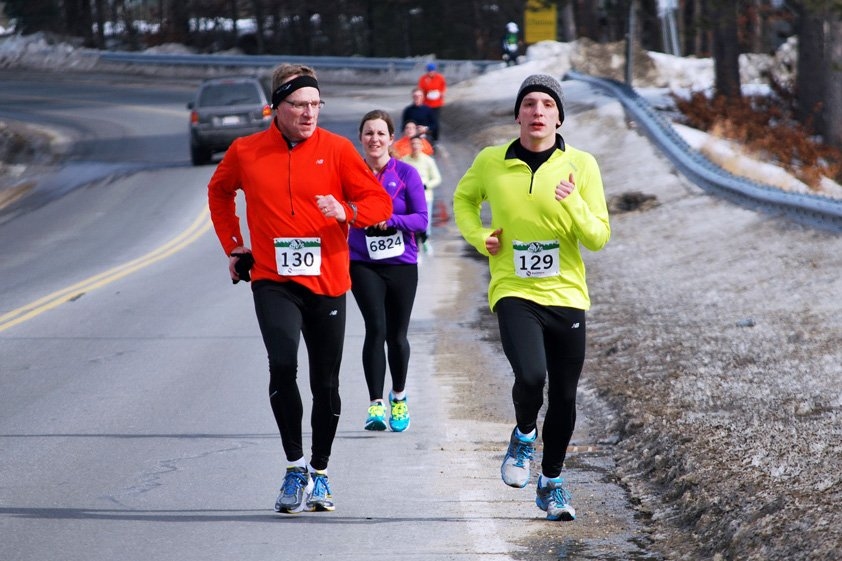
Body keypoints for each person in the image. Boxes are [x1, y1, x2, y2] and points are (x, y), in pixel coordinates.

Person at [207, 64, 393, 515]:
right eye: (299, 105)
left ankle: (321, 474)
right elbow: (219, 191)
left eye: (315, 104)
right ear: (277, 107)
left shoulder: (338, 150)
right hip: (273, 281)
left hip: (327, 281)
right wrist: (235, 247)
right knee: (283, 365)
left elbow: (379, 203)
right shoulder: (246, 150)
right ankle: (294, 469)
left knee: (325, 381)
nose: (310, 113)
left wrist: (345, 210)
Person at [452, 74, 610, 521]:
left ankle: (552, 482)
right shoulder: (491, 160)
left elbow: (598, 237)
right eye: (529, 104)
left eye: (547, 104)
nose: (538, 111)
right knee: (531, 375)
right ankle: (523, 435)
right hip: (514, 289)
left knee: (564, 395)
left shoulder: (582, 165)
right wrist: (479, 235)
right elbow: (464, 201)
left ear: (559, 117)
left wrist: (574, 202)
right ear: (517, 113)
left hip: (566, 294)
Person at [349, 109, 428, 433]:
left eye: (381, 133)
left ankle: (398, 396)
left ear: (391, 139)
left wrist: (390, 220)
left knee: (397, 335)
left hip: (401, 264)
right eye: (369, 133)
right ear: (361, 138)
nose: (375, 139)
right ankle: (375, 405)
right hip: (363, 262)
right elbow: (339, 212)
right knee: (375, 328)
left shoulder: (406, 174)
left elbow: (421, 219)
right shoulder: (350, 175)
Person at [401, 135, 442, 253]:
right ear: (410, 145)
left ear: (422, 145)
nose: (415, 146)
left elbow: (437, 178)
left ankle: (425, 240)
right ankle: (414, 247)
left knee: (424, 222)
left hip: (425, 197)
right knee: (411, 221)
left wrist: (426, 185)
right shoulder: (405, 160)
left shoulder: (428, 161)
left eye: (418, 144)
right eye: (413, 144)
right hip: (409, 198)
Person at [417, 62, 446, 132]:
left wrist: (441, 93)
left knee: (435, 121)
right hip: (426, 103)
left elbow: (443, 86)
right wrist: (424, 94)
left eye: (432, 71)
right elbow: (420, 89)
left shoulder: (440, 77)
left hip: (437, 103)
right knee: (426, 120)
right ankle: (427, 136)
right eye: (429, 71)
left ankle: (435, 137)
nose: (431, 73)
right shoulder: (423, 79)